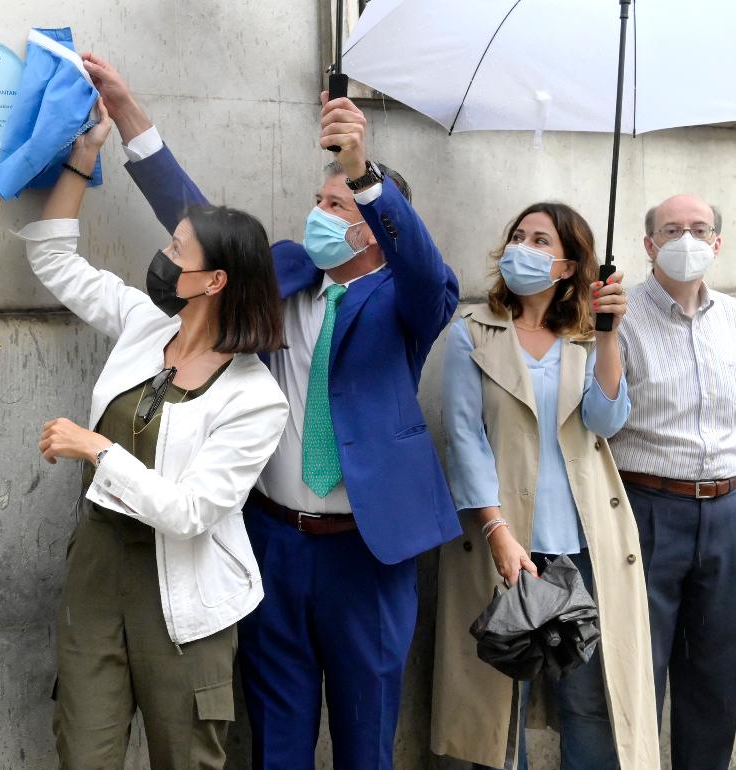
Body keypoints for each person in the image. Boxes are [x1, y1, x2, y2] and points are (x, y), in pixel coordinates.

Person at [81, 54, 461, 770]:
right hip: (272, 541)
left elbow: (424, 271)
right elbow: (197, 219)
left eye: (340, 205)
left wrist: (367, 172)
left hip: (366, 552)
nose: (321, 214)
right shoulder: (285, 270)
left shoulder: (412, 299)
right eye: (320, 200)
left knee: (365, 730)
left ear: (376, 225)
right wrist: (130, 114)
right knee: (276, 729)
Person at [20, 101, 289, 770]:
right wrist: (84, 159)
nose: (164, 258)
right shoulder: (146, 325)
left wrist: (97, 448)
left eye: (177, 250)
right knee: (83, 753)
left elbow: (191, 512)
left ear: (215, 281)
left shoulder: (255, 398)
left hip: (184, 596)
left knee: (187, 757)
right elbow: (55, 261)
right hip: (97, 571)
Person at [431, 202, 659, 770]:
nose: (522, 248)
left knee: (589, 699)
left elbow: (607, 422)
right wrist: (498, 533)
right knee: (501, 706)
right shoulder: (474, 333)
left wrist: (607, 337)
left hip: (584, 544)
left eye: (539, 241)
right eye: (518, 236)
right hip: (504, 541)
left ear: (565, 267)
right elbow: (463, 439)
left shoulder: (585, 340)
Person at [610, 194, 736, 770]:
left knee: (714, 670)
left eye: (699, 229)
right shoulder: (621, 315)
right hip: (648, 509)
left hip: (731, 510)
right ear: (649, 243)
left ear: (717, 242)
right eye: (672, 229)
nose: (687, 239)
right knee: (640, 667)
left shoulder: (733, 316)